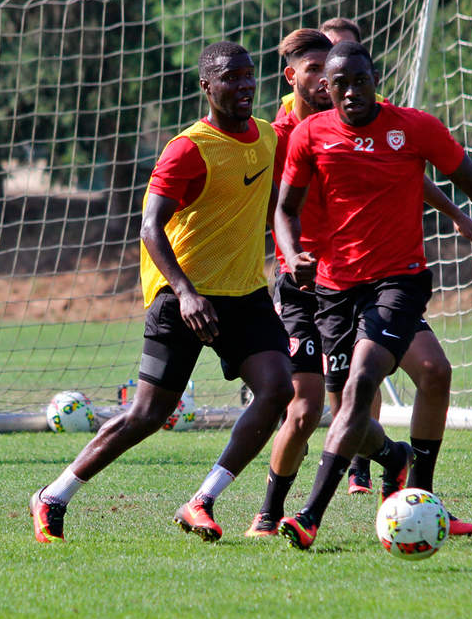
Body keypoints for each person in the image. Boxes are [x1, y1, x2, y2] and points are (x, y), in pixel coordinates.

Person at [28, 41, 294, 543]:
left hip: (245, 293)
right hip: (183, 294)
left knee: (279, 388)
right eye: (230, 78)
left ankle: (202, 499)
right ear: (207, 87)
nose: (243, 86)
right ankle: (53, 495)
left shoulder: (266, 138)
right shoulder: (188, 149)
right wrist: (185, 292)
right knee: (149, 413)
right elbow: (150, 227)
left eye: (249, 76)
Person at [274, 41, 472, 549]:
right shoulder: (311, 134)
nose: (351, 93)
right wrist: (293, 251)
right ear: (326, 87)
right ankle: (400, 463)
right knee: (404, 381)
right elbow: (285, 209)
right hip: (334, 292)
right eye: (340, 84)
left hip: (399, 281)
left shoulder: (414, 128)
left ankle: (312, 515)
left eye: (360, 82)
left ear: (375, 79)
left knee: (365, 381)